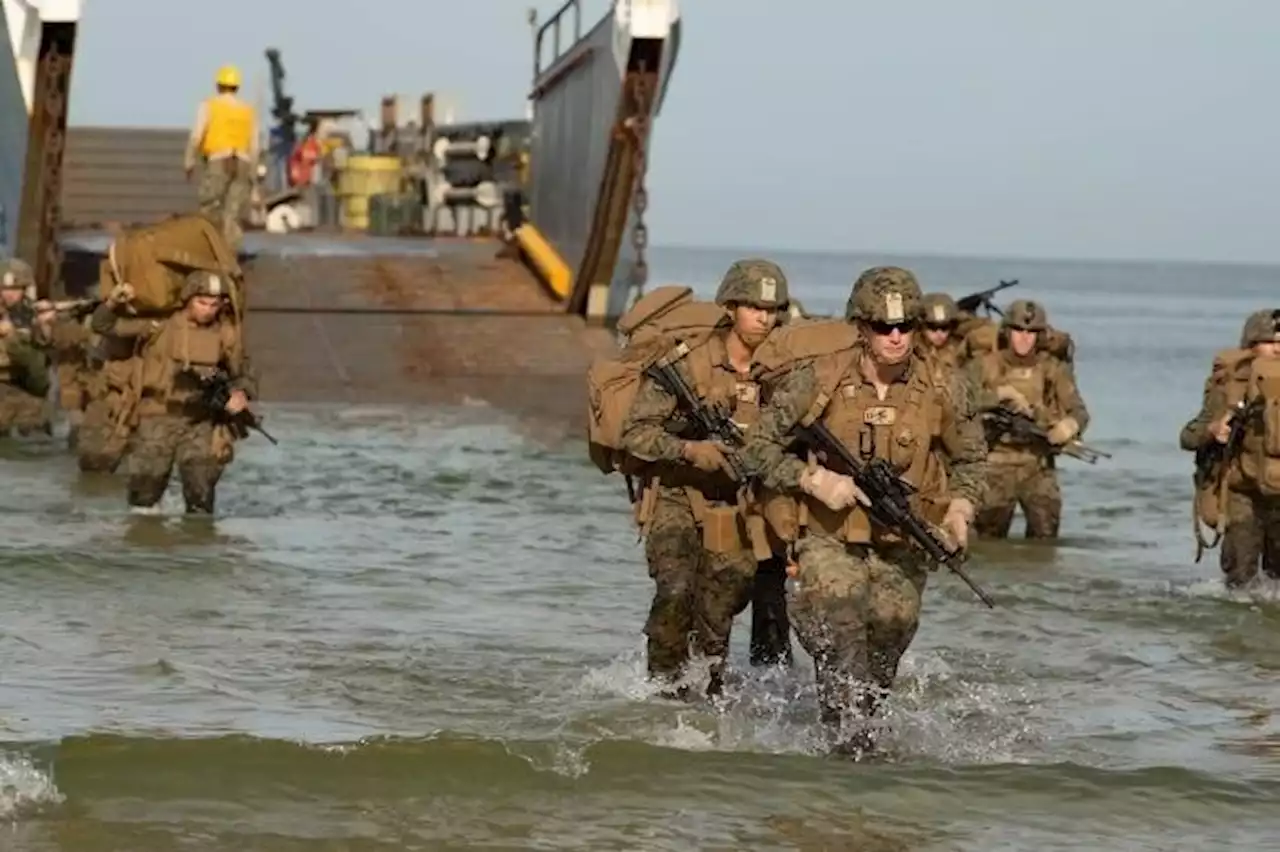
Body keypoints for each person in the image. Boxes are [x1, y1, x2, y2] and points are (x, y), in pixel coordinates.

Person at [741, 266, 986, 754]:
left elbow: (971, 459)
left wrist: (960, 512)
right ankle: (842, 752)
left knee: (885, 646)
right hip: (829, 535)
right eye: (883, 326)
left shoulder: (945, 384)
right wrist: (814, 478)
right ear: (861, 326)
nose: (896, 337)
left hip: (904, 540)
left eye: (906, 326)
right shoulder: (820, 378)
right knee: (841, 634)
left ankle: (859, 753)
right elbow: (755, 447)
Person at [620, 258, 794, 698]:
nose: (763, 317)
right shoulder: (688, 365)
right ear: (731, 307)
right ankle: (660, 691)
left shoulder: (782, 372)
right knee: (676, 593)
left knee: (718, 613)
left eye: (772, 310)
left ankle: (704, 696)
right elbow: (635, 433)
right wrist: (689, 450)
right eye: (754, 306)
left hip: (738, 505)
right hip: (677, 494)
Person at [90, 270, 257, 513]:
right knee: (145, 494)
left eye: (214, 304)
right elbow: (102, 325)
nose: (208, 310)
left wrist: (240, 393)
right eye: (201, 303)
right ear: (188, 300)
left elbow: (242, 371)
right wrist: (113, 302)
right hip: (157, 417)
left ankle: (195, 546)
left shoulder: (225, 334)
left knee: (200, 493)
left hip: (200, 421)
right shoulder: (158, 328)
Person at [972, 299, 1090, 539]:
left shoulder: (1053, 368)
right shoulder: (985, 364)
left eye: (1032, 332)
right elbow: (956, 401)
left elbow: (1079, 410)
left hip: (1037, 465)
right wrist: (998, 396)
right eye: (1019, 330)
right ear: (1007, 331)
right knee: (988, 543)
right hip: (995, 464)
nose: (1025, 338)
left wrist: (1069, 426)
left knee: (1046, 536)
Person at [1180, 309, 1280, 587]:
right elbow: (1188, 437)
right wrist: (1212, 430)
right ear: (1250, 346)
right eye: (1270, 341)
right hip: (1241, 493)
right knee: (1240, 580)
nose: (1277, 348)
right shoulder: (1229, 385)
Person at [185, 65, 258, 252]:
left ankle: (208, 253)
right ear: (237, 87)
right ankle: (230, 257)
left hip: (218, 161)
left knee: (209, 208)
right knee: (232, 215)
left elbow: (197, 135)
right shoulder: (248, 110)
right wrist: (254, 178)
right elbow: (255, 146)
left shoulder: (209, 105)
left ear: (218, 85)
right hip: (242, 162)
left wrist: (189, 160)